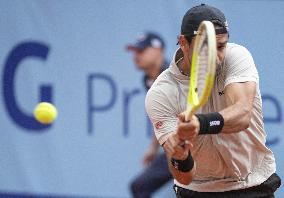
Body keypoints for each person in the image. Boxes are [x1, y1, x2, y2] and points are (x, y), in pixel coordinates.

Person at [145, 4, 281, 198]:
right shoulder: (160, 94)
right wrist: (180, 158)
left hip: (254, 185)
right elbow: (183, 176)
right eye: (205, 47)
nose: (215, 58)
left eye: (221, 46)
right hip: (197, 191)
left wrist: (200, 123)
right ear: (183, 42)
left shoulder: (236, 57)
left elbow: (242, 114)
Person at [126, 32, 173, 198]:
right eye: (134, 51)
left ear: (158, 50)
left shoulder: (175, 76)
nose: (136, 56)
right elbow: (160, 117)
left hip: (198, 148)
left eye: (141, 51)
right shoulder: (148, 80)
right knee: (139, 187)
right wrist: (153, 147)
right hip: (175, 149)